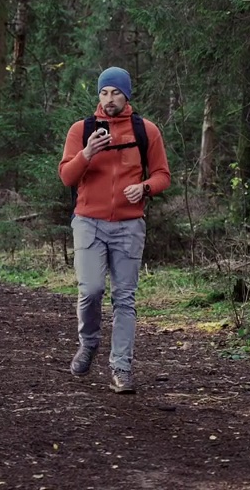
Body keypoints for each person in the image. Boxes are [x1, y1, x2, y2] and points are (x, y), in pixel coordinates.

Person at [58, 67, 171, 393]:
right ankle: (89, 342)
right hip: (88, 223)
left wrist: (145, 188)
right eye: (104, 93)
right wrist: (87, 153)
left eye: (115, 93)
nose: (109, 99)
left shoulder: (145, 130)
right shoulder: (81, 130)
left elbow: (163, 174)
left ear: (127, 95)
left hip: (128, 226)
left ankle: (121, 369)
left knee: (125, 299)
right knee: (91, 289)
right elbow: (67, 176)